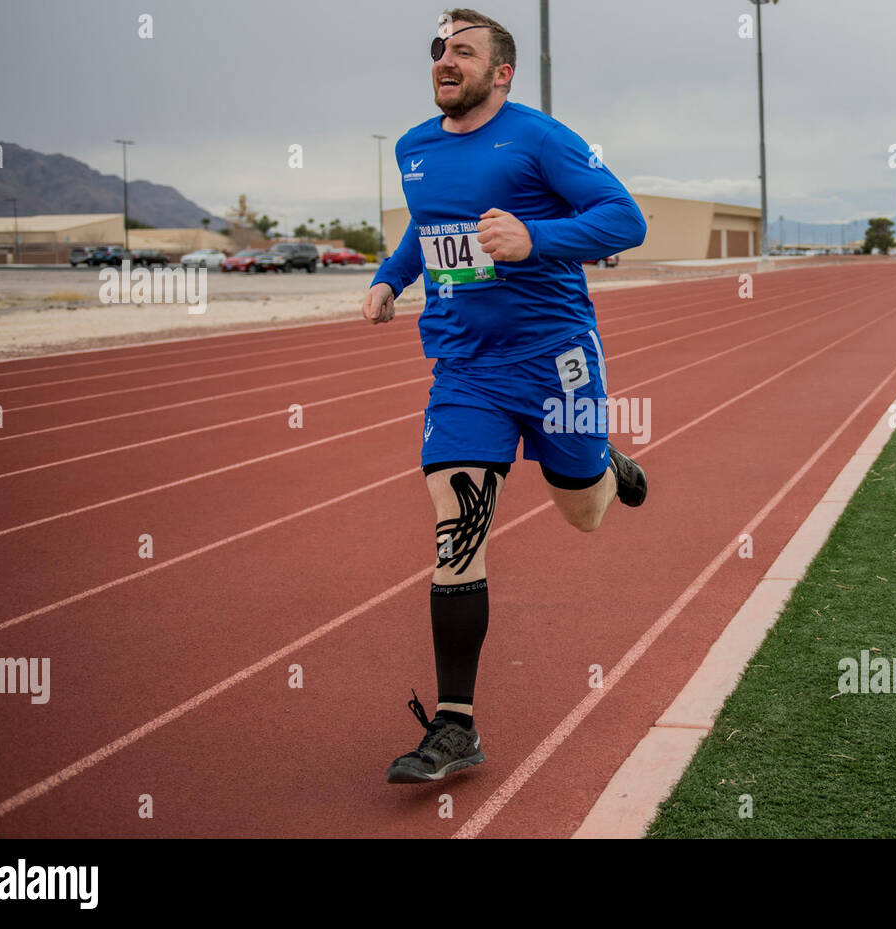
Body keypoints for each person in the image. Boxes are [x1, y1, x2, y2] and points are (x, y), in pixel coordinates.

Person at [359, 8, 648, 783]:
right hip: (465, 369)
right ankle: (456, 725)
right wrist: (392, 278)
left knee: (582, 515)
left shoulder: (540, 138)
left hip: (556, 361)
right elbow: (427, 230)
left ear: (502, 72)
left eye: (464, 51)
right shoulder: (414, 149)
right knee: (457, 533)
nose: (445, 61)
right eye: (439, 50)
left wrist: (537, 240)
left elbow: (626, 218)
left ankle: (602, 467)